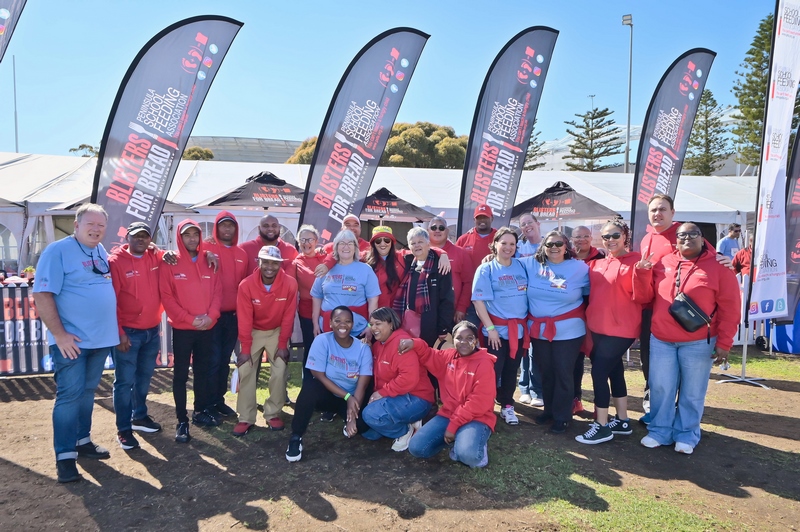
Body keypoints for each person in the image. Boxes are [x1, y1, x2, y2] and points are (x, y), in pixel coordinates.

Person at [33, 203, 119, 483]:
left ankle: (82, 441)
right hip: (72, 342)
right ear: (76, 225)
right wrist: (59, 335)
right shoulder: (57, 251)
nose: (96, 229)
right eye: (90, 224)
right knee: (69, 396)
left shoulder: (99, 250)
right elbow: (42, 294)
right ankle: (65, 457)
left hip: (100, 339)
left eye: (101, 225)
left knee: (87, 392)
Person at [638, 222, 740, 454]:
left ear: (703, 239)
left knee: (692, 391)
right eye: (681, 235)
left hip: (698, 341)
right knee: (660, 387)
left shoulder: (719, 266)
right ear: (675, 240)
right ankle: (660, 431)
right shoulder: (663, 262)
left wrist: (724, 342)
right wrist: (642, 273)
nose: (687, 238)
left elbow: (731, 308)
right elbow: (645, 297)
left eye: (693, 234)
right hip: (662, 339)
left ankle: (687, 433)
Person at [576, 220, 652, 445]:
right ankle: (622, 420)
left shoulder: (637, 261)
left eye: (615, 235)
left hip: (622, 329)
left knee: (598, 372)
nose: (610, 240)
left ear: (625, 236)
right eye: (606, 236)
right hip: (598, 327)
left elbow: (644, 297)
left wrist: (643, 273)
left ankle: (601, 425)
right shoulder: (597, 264)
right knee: (615, 370)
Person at [159, 220, 222, 443]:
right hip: (183, 329)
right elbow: (167, 297)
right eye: (187, 235)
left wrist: (211, 317)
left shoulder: (210, 260)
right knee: (180, 375)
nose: (192, 238)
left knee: (202, 372)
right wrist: (189, 319)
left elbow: (217, 292)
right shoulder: (170, 262)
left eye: (196, 234)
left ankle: (200, 411)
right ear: (180, 237)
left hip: (206, 327)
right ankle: (181, 420)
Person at [401, 321, 496, 468]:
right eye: (459, 338)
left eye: (469, 338)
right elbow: (428, 354)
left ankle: (474, 444)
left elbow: (478, 402)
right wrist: (414, 343)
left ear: (477, 341)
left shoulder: (484, 363)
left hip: (477, 417)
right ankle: (460, 439)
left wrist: (453, 427)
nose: (464, 342)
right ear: (453, 340)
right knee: (416, 448)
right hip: (449, 414)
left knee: (469, 457)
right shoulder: (449, 356)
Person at [520, 230, 589, 434]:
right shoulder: (530, 264)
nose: (554, 247)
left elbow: (593, 292)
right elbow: (506, 262)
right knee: (546, 372)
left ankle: (563, 416)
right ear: (543, 247)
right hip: (540, 330)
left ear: (566, 246)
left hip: (569, 331)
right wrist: (489, 258)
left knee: (563, 372)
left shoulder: (580, 268)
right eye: (549, 244)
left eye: (559, 243)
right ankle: (549, 411)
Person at [285, 307, 373, 462]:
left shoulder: (363, 348)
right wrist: (346, 396)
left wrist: (352, 417)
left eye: (347, 321)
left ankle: (346, 418)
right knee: (310, 388)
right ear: (330, 323)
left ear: (352, 325)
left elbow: (362, 385)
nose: (342, 325)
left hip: (352, 398)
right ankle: (296, 437)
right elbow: (318, 375)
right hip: (329, 395)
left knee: (362, 426)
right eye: (338, 321)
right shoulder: (322, 340)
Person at [108, 221, 164, 450]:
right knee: (124, 382)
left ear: (150, 239)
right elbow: (111, 300)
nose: (141, 239)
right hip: (128, 333)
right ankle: (123, 429)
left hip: (152, 330)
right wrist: (119, 332)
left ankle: (139, 416)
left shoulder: (155, 256)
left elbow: (177, 256)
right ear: (127, 238)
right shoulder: (115, 262)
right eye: (136, 236)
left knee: (144, 378)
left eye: (145, 236)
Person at [233, 246, 298, 435]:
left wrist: (283, 344)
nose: (270, 267)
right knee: (246, 369)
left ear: (280, 264)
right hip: (253, 331)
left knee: (280, 368)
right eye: (266, 262)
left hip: (277, 331)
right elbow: (244, 319)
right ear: (258, 262)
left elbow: (288, 316)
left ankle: (273, 413)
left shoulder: (290, 283)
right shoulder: (246, 285)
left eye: (274, 263)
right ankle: (246, 417)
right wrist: (245, 349)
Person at [472, 227, 529, 426]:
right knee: (492, 371)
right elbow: (478, 301)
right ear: (495, 244)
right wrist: (491, 330)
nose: (508, 247)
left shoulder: (522, 265)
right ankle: (485, 407)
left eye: (512, 244)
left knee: (512, 370)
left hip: (518, 331)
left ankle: (507, 405)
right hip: (495, 331)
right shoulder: (486, 269)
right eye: (503, 243)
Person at [361, 307, 434, 451]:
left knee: (370, 415)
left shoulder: (402, 343)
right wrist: (367, 349)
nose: (373, 328)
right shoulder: (378, 345)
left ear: (391, 324)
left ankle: (405, 431)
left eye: (378, 324)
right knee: (369, 433)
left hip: (417, 397)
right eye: (371, 324)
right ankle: (410, 422)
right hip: (396, 396)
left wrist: (382, 393)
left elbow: (408, 378)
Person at [204, 211, 249, 419]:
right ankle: (207, 403)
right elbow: (184, 256)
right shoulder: (206, 248)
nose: (227, 229)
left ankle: (218, 401)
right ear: (216, 227)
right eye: (223, 225)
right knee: (212, 360)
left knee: (223, 360)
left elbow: (245, 286)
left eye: (231, 225)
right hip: (212, 316)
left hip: (233, 316)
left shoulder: (242, 254)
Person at [311, 229, 380, 338]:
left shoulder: (365, 270)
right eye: (342, 243)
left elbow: (373, 300)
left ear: (355, 247)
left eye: (350, 243)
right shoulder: (325, 269)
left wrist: (370, 326)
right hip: (327, 330)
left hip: (357, 330)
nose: (346, 247)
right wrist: (315, 324)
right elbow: (316, 297)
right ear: (336, 247)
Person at [393, 227, 455, 347]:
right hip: (409, 325)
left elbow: (447, 300)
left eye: (420, 242)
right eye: (413, 243)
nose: (417, 245)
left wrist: (443, 327)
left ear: (428, 244)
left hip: (432, 327)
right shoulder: (407, 263)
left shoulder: (440, 266)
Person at [570, 225, 605, 417]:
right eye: (577, 236)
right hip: (573, 316)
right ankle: (575, 399)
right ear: (571, 239)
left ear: (591, 238)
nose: (581, 239)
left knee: (599, 361)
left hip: (597, 316)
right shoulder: (566, 257)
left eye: (585, 236)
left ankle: (602, 405)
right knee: (575, 359)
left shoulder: (601, 257)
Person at [290, 225, 327, 383]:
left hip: (328, 311)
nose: (306, 243)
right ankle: (309, 385)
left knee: (328, 349)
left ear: (316, 241)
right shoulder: (296, 263)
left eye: (310, 239)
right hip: (307, 313)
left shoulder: (325, 257)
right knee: (311, 348)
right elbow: (291, 289)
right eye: (302, 240)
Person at [514, 213, 544, 407]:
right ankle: (524, 388)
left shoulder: (548, 244)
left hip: (540, 304)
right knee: (524, 347)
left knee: (536, 349)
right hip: (521, 303)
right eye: (523, 224)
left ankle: (537, 390)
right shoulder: (518, 248)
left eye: (529, 223)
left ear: (537, 224)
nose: (526, 226)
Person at [427, 216, 474, 323]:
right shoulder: (420, 252)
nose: (437, 230)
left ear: (447, 231)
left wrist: (461, 308)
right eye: (433, 228)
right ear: (428, 230)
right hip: (426, 311)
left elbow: (468, 283)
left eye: (441, 228)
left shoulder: (461, 253)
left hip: (452, 313)